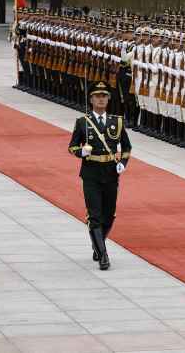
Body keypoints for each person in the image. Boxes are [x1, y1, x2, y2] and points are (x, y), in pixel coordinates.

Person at [67, 80, 132, 271]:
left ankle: (98, 244)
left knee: (109, 215)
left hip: (111, 173)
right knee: (94, 215)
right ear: (91, 99)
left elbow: (126, 147)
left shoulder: (117, 122)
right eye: (98, 96)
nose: (101, 99)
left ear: (108, 99)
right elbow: (72, 146)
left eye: (104, 96)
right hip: (91, 172)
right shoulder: (83, 122)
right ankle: (103, 255)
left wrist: (123, 163)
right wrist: (82, 152)